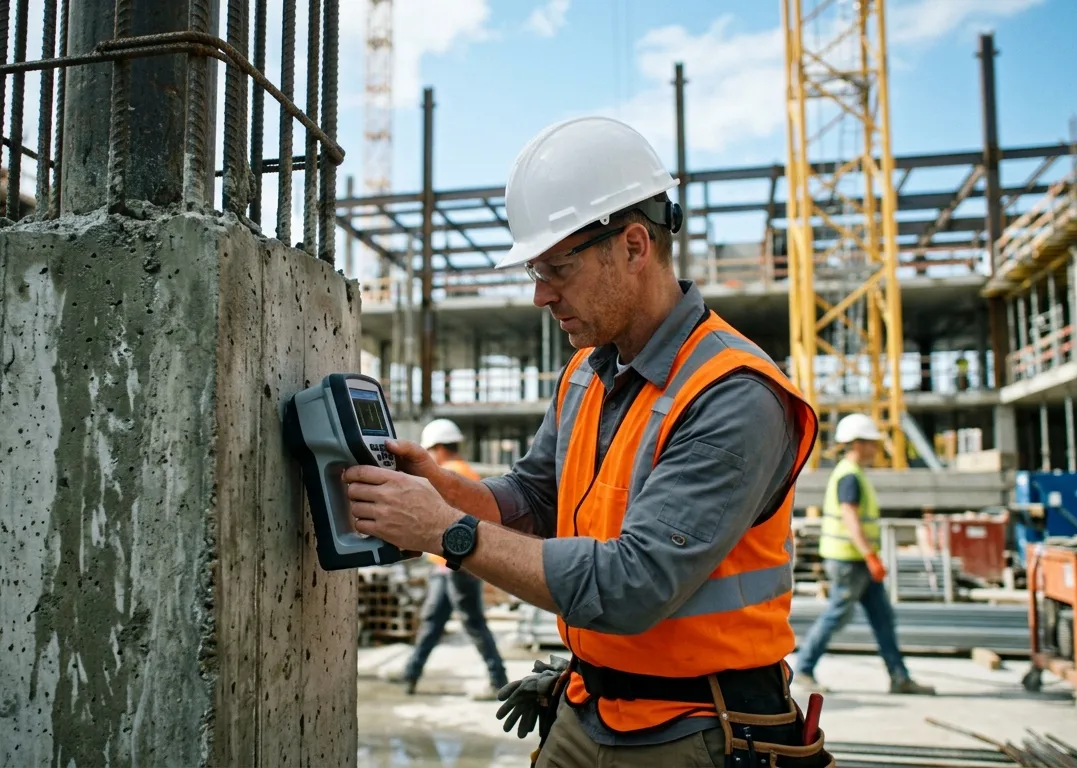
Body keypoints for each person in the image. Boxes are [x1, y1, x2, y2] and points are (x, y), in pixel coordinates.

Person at [343, 117, 830, 767]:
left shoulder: (734, 395)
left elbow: (633, 586)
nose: (541, 295)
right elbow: (536, 495)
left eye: (556, 269)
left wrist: (447, 533)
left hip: (700, 728)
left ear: (634, 246)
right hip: (589, 704)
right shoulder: (586, 371)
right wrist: (446, 489)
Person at [793, 413, 935, 696]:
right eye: (870, 443)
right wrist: (871, 556)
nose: (875, 448)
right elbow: (851, 519)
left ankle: (899, 677)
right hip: (850, 560)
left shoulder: (854, 474)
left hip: (857, 559)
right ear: (856, 444)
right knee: (836, 615)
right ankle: (804, 669)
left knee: (883, 618)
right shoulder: (849, 476)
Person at [400, 419, 511, 696]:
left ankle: (499, 680)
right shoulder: (467, 473)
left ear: (437, 448)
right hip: (449, 565)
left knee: (473, 623)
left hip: (458, 566)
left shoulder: (445, 474)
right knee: (433, 621)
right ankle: (411, 674)